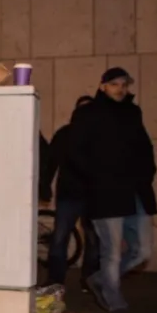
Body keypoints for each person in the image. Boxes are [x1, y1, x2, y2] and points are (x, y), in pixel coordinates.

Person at [72, 68, 157, 313]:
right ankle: (114, 300)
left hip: (136, 191)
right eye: (114, 84)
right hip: (106, 194)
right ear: (102, 86)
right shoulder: (88, 114)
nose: (120, 88)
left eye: (123, 84)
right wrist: (95, 180)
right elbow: (76, 153)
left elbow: (144, 146)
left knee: (142, 251)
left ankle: (100, 280)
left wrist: (147, 172)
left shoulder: (133, 112)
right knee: (112, 253)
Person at [47, 96, 100, 289]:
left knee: (94, 240)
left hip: (93, 196)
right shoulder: (65, 134)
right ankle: (55, 280)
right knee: (60, 237)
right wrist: (44, 185)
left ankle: (90, 279)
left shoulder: (101, 136)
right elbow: (51, 161)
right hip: (69, 194)